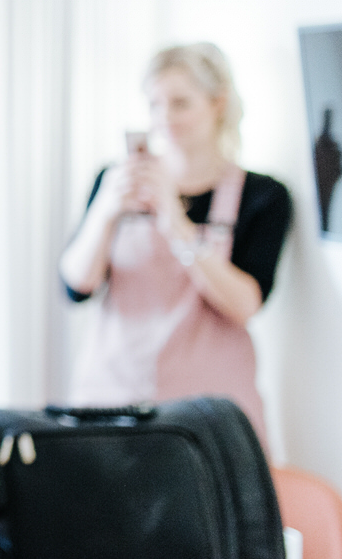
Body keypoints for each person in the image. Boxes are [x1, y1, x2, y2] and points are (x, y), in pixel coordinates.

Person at [62, 43, 292, 445]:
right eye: (154, 105)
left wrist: (176, 222)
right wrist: (105, 211)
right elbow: (76, 286)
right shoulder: (112, 180)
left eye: (180, 103)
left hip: (211, 419)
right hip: (112, 404)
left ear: (218, 103)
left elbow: (244, 304)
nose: (164, 118)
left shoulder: (263, 196)